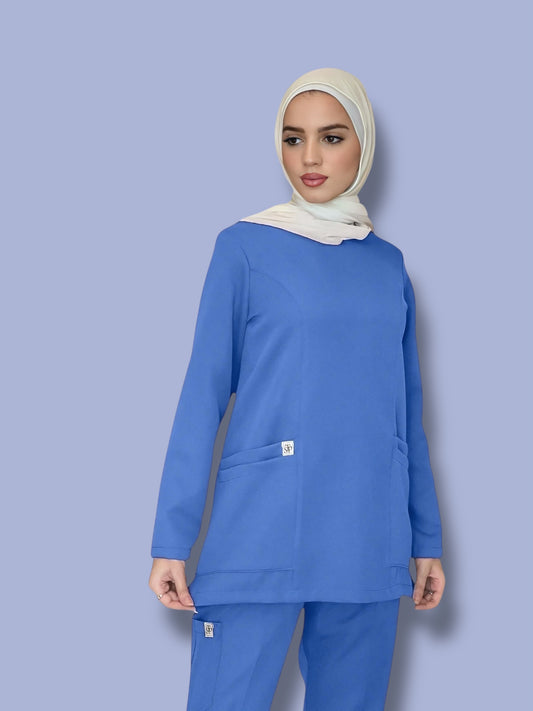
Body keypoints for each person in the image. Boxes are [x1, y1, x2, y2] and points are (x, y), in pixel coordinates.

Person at [148, 67, 446, 710]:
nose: (309, 157)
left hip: (366, 532)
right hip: (261, 528)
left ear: (364, 145)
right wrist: (171, 539)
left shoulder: (387, 265)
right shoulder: (243, 249)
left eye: (331, 137)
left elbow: (407, 416)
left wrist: (425, 540)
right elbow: (203, 393)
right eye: (293, 138)